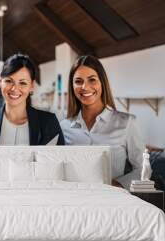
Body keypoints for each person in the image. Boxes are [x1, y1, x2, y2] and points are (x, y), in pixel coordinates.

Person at [60, 55, 145, 189]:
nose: (84, 87)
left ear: (102, 82)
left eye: (92, 80)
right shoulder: (64, 127)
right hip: (75, 202)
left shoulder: (127, 123)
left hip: (112, 204)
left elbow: (144, 170)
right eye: (78, 81)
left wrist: (117, 184)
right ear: (72, 86)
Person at [0, 53, 64, 145]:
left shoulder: (49, 122)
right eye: (9, 81)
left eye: (23, 83)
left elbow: (61, 158)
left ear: (32, 86)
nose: (14, 89)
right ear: (0, 82)